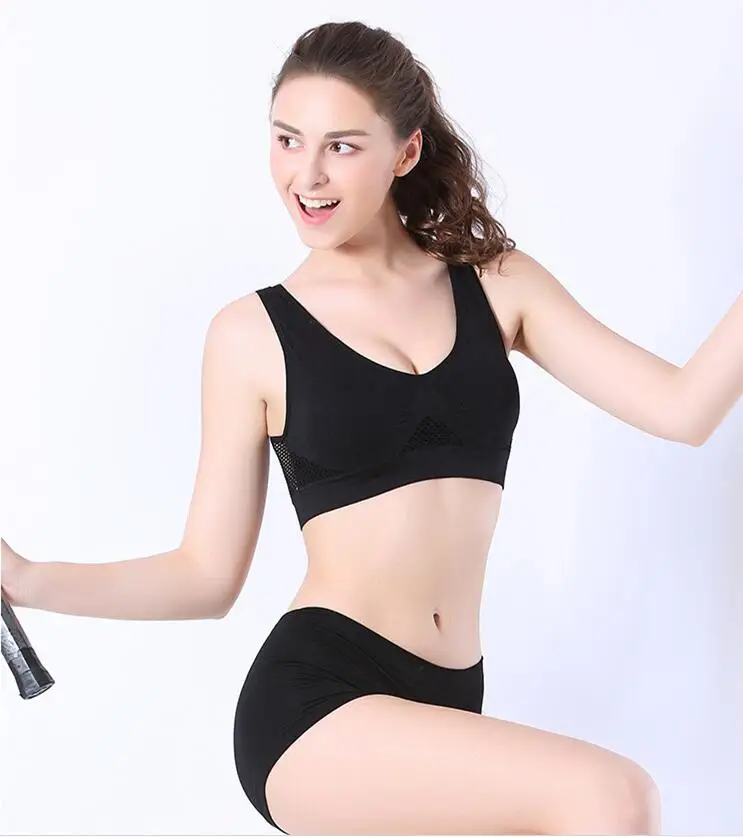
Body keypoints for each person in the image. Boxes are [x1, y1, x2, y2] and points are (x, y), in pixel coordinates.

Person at [3, 19, 742, 836]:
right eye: (287, 140)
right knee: (610, 797)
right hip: (315, 702)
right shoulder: (251, 335)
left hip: (449, 696)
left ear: (405, 152)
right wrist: (28, 578)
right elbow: (205, 576)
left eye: (342, 147)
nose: (306, 175)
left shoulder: (497, 286)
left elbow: (682, 408)